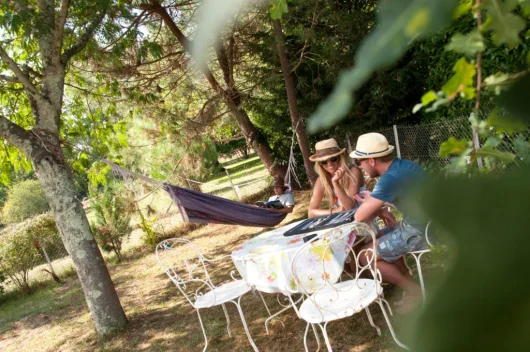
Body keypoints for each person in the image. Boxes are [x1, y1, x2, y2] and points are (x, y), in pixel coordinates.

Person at [350, 132, 428, 313]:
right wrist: (379, 203)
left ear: (371, 160)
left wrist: (375, 206)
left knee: (364, 256)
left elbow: (359, 217)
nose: (359, 166)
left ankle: (416, 292)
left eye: (359, 161)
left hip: (419, 232)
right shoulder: (403, 166)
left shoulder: (389, 178)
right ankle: (411, 283)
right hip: (427, 223)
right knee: (381, 236)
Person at [308, 138, 363, 218]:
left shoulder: (353, 172)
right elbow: (311, 212)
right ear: (319, 164)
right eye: (324, 161)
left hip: (363, 221)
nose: (330, 164)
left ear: (340, 157)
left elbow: (349, 207)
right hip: (344, 222)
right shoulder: (322, 180)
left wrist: (335, 183)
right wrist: (335, 211)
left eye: (333, 159)